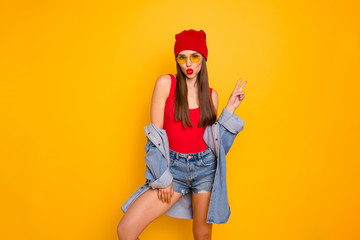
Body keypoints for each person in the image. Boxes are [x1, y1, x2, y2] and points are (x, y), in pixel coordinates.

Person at [117, 29, 247, 240]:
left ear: (203, 59)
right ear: (177, 60)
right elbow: (155, 136)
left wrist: (229, 110)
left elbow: (215, 144)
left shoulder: (211, 96)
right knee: (126, 229)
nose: (188, 63)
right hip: (173, 170)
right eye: (182, 57)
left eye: (194, 57)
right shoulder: (166, 84)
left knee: (201, 234)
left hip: (205, 169)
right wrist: (163, 177)